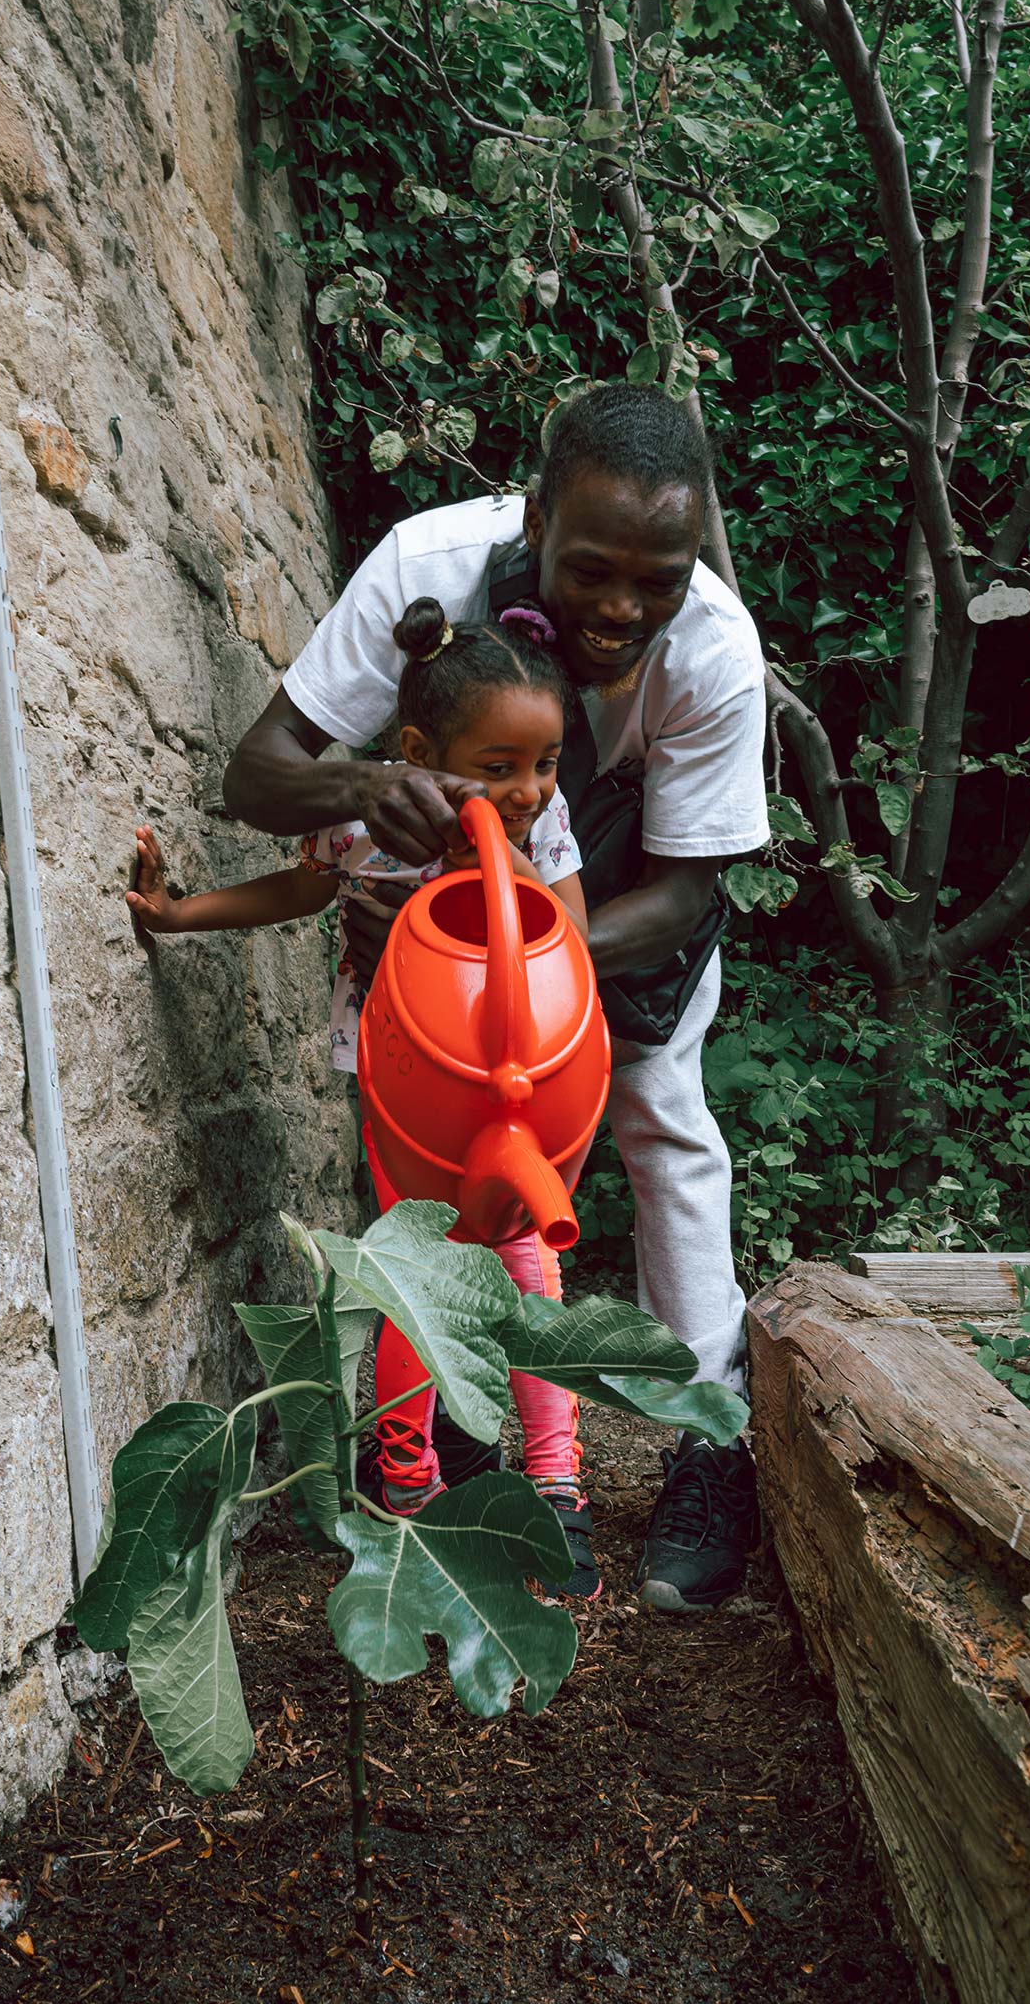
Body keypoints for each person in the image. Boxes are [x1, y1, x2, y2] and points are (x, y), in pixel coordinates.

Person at [222, 385, 770, 1613]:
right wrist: (366, 786)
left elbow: (685, 895)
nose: (624, 607)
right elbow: (256, 776)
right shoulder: (425, 562)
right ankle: (460, 1438)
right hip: (447, 936)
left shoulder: (716, 653)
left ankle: (709, 1436)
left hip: (608, 913)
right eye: (592, 571)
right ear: (532, 518)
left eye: (660, 577)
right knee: (434, 1185)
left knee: (659, 1113)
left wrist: (528, 947)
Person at [128, 598, 603, 1599]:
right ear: (418, 753)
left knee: (529, 1263)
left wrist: (498, 849)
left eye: (546, 762)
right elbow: (297, 893)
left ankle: (557, 1486)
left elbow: (568, 932)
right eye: (497, 768)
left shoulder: (540, 824)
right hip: (401, 1092)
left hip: (511, 1092)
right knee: (413, 1270)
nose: (528, 788)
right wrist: (178, 917)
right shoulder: (363, 825)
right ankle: (406, 1483)